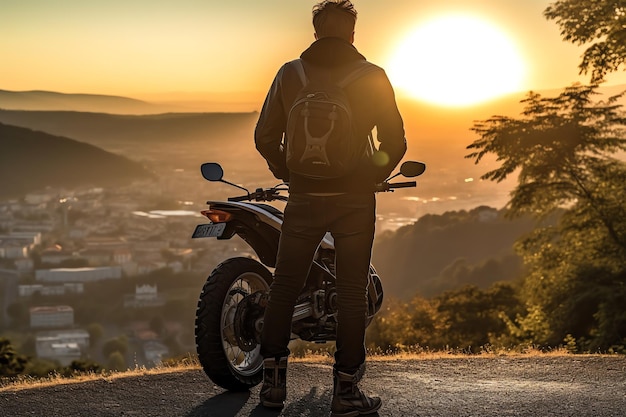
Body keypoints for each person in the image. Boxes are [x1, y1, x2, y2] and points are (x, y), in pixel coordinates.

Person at [254, 1, 407, 415]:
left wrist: (291, 173)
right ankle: (346, 392)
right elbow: (396, 142)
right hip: (355, 201)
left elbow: (265, 136)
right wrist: (369, 175)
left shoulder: (291, 74)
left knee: (284, 286)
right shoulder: (372, 76)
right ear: (353, 34)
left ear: (316, 32)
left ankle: (271, 387)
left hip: (304, 198)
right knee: (353, 291)